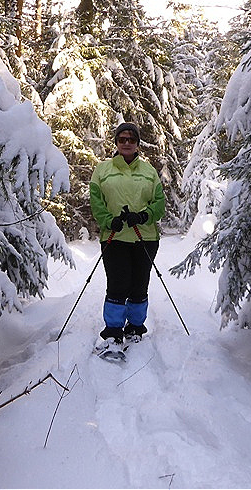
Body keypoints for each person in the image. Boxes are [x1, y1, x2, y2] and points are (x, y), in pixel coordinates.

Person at [89, 122, 166, 356]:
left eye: (131, 140)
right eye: (122, 139)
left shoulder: (149, 171)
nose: (126, 143)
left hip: (146, 237)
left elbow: (159, 203)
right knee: (118, 283)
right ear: (116, 142)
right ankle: (113, 332)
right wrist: (107, 220)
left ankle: (135, 328)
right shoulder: (102, 170)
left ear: (137, 144)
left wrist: (144, 215)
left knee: (139, 284)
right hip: (114, 237)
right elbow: (96, 200)